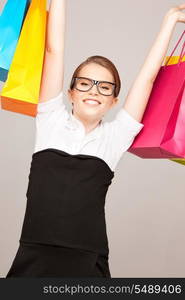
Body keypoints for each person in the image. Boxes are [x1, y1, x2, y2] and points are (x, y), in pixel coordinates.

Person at [6, 1, 185, 277]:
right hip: (35, 253)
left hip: (87, 258)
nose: (94, 91)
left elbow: (147, 79)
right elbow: (54, 50)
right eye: (85, 83)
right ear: (71, 92)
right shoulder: (50, 119)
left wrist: (170, 20)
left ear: (114, 100)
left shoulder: (115, 137)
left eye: (105, 87)